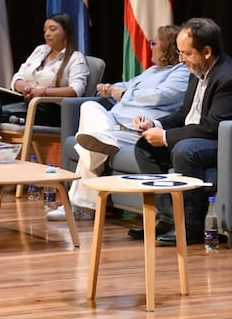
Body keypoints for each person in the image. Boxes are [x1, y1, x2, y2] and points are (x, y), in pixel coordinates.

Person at [129, 17, 232, 245]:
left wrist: (167, 137)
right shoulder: (197, 70)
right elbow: (184, 114)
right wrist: (155, 125)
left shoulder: (230, 78)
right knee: (145, 147)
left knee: (185, 151)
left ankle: (191, 229)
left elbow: (213, 127)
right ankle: (167, 219)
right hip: (208, 136)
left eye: (186, 53)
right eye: (180, 53)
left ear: (207, 51)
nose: (181, 59)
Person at [45, 25, 190, 221]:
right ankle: (103, 138)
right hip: (113, 124)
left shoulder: (181, 72)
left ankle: (83, 206)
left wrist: (124, 94)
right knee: (89, 106)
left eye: (153, 43)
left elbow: (160, 96)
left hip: (133, 129)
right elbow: (127, 85)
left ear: (168, 47)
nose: (150, 47)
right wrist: (111, 88)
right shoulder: (152, 71)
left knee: (90, 143)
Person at [0, 12, 89, 197]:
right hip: (26, 101)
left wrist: (42, 92)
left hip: (49, 110)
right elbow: (18, 77)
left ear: (66, 33)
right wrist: (24, 87)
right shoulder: (40, 51)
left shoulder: (76, 58)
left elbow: (76, 90)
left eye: (53, 29)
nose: (47, 33)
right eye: (45, 29)